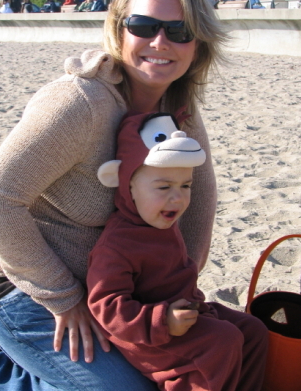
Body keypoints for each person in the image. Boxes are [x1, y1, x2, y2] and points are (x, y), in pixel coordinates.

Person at [0, 0, 224, 390]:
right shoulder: (81, 103)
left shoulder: (175, 103)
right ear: (119, 30)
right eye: (144, 26)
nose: (160, 41)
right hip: (29, 293)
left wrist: (183, 270)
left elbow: (201, 189)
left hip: (116, 296)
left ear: (198, 41)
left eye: (179, 30)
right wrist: (64, 299)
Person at [87, 111, 268, 391]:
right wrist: (162, 321)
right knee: (223, 341)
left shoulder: (159, 220)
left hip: (187, 311)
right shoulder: (117, 244)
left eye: (186, 185)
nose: (178, 197)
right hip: (150, 338)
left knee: (253, 331)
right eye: (163, 186)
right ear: (128, 183)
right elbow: (106, 308)